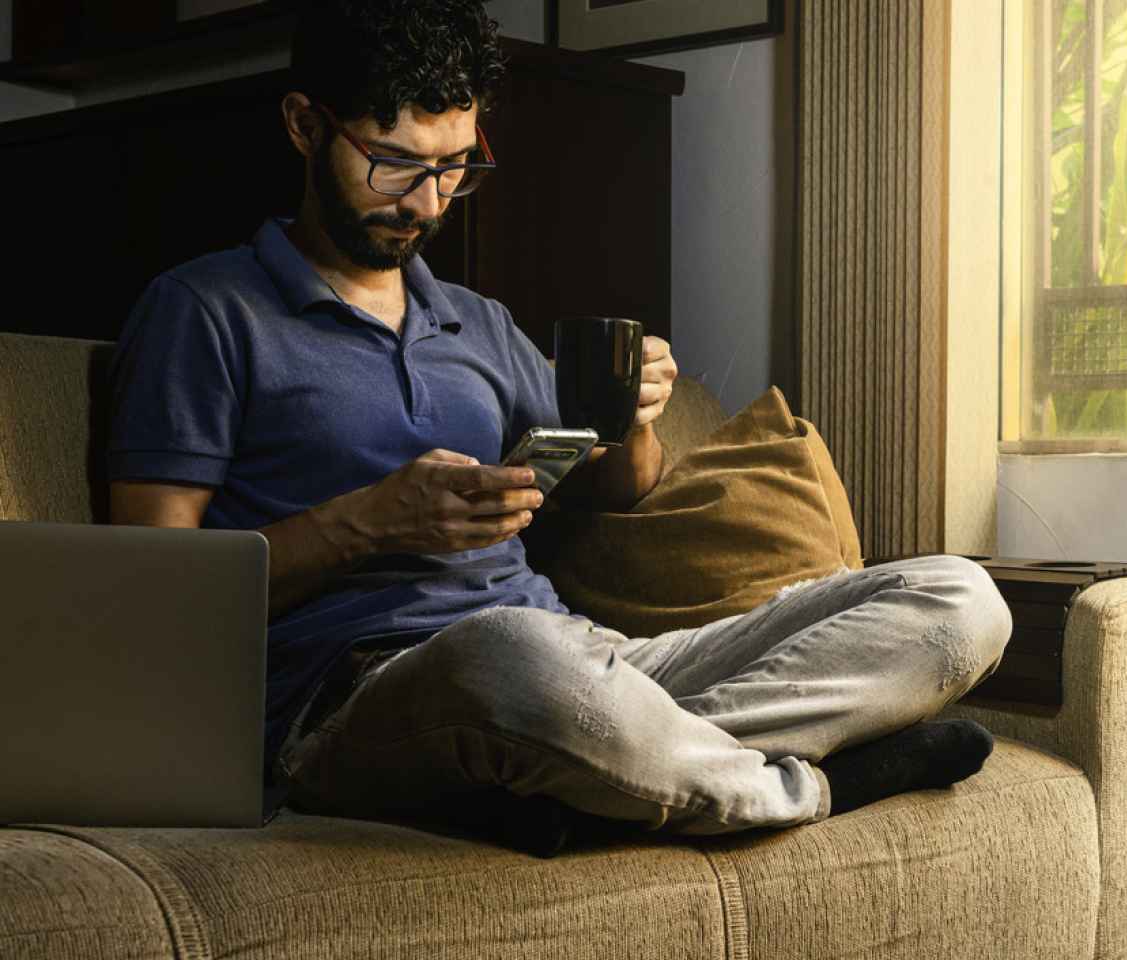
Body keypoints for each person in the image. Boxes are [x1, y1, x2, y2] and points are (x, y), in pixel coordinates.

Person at [106, 0, 1010, 854]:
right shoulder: (204, 312)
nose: (427, 202)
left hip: (588, 665)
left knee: (954, 600)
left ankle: (603, 771)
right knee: (514, 657)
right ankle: (808, 787)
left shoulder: (480, 322)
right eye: (394, 162)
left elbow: (618, 484)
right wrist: (370, 522)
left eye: (455, 164)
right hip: (361, 699)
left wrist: (634, 416)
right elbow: (162, 598)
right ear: (305, 125)